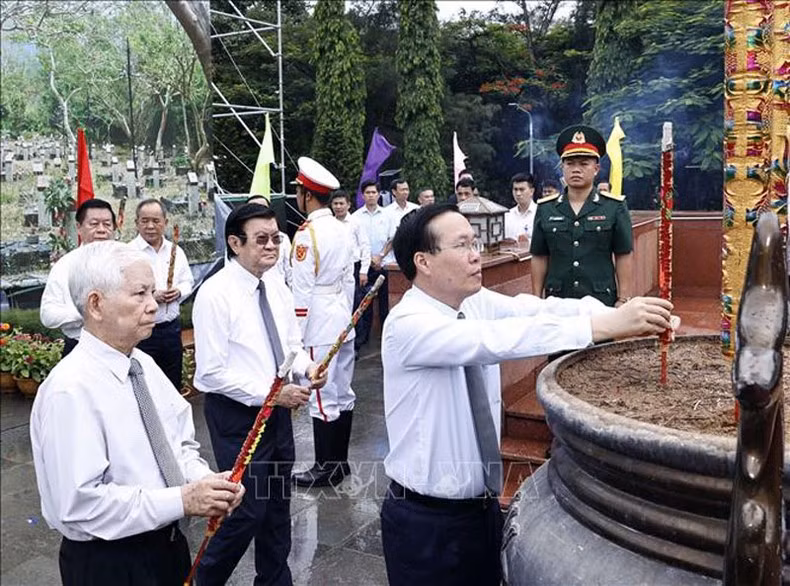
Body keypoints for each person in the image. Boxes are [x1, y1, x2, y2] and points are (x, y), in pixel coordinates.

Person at [380, 204, 675, 586]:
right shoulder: (407, 325)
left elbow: (534, 311)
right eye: (462, 245)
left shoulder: (471, 302)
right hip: (426, 522)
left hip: (481, 508)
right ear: (424, 261)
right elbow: (495, 341)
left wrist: (620, 313)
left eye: (475, 242)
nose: (476, 254)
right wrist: (602, 327)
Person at [30, 240, 244, 586]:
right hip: (111, 561)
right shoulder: (70, 390)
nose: (153, 307)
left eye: (153, 293)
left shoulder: (142, 364)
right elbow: (82, 504)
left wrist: (204, 481)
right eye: (140, 294)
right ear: (96, 304)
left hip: (166, 542)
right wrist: (183, 499)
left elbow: (179, 443)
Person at [192, 204, 326, 585]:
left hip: (277, 413)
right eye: (261, 239)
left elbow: (291, 346)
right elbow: (211, 374)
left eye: (276, 238)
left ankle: (273, 579)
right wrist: (271, 395)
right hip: (238, 415)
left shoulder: (276, 285)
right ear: (235, 243)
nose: (272, 246)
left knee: (278, 506)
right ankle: (205, 579)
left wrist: (307, 368)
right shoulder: (215, 294)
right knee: (245, 508)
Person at [290, 158, 357, 487]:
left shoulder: (307, 235)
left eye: (298, 192)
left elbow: (301, 292)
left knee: (322, 398)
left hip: (318, 320)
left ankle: (324, 467)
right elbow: (348, 281)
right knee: (342, 393)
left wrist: (296, 338)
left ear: (305, 194)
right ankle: (340, 464)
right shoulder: (343, 228)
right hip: (342, 318)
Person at [530, 125, 635, 307]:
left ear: (596, 168)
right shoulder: (546, 208)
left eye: (584, 163)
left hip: (600, 299)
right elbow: (539, 256)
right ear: (562, 167)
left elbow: (623, 254)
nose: (576, 169)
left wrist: (624, 298)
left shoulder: (614, 206)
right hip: (557, 301)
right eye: (570, 163)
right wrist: (536, 299)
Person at [129, 198, 193, 390]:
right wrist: (151, 296)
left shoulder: (176, 251)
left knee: (171, 383)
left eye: (156, 221)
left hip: (171, 330)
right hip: (141, 331)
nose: (150, 226)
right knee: (143, 384)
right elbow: (124, 290)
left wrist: (179, 291)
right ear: (137, 223)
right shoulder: (129, 252)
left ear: (165, 222)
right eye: (144, 221)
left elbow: (188, 281)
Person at [40, 198, 116, 357]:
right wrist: (86, 313)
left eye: (107, 224)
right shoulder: (65, 266)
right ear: (79, 228)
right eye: (94, 224)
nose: (101, 230)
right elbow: (48, 315)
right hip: (79, 349)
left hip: (120, 348)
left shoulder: (126, 262)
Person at [351, 179, 393, 352]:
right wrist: (369, 258)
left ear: (379, 194)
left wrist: (380, 256)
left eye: (374, 192)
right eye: (367, 193)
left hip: (384, 263)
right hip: (364, 266)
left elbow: (392, 238)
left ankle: (386, 340)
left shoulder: (387, 215)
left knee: (385, 304)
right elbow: (356, 243)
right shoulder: (356, 217)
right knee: (363, 303)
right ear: (363, 195)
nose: (371, 195)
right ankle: (362, 340)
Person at [331, 189, 371, 313]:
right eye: (335, 204)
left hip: (355, 267)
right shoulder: (329, 224)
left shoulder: (356, 222)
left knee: (356, 305)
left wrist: (364, 271)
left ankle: (359, 333)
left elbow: (365, 246)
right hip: (335, 268)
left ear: (348, 205)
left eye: (341, 203)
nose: (338, 207)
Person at [246, 194, 293, 288]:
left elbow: (291, 273)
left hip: (278, 296)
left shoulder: (283, 239)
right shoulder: (239, 242)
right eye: (254, 210)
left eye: (262, 209)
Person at [503, 173, 537, 246]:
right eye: (515, 189)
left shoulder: (540, 214)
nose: (518, 193)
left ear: (531, 191)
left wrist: (528, 242)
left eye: (522, 189)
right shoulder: (507, 215)